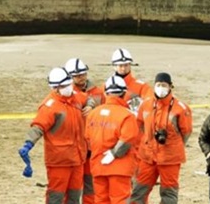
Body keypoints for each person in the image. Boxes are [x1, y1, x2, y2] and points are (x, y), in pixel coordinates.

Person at [18, 67, 88, 204]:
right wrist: (28, 143)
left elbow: (89, 100)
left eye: (69, 84)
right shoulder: (49, 107)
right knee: (56, 196)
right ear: (55, 88)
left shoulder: (75, 97)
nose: (68, 88)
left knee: (74, 195)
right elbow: (38, 126)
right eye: (64, 86)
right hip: (59, 162)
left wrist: (90, 106)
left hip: (77, 159)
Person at [132, 72, 193, 204]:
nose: (161, 88)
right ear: (154, 86)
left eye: (164, 85)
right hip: (148, 156)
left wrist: (173, 145)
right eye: (158, 85)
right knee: (138, 191)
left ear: (170, 86)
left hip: (170, 158)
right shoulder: (146, 104)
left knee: (168, 193)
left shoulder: (181, 108)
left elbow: (186, 132)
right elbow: (140, 125)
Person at [85, 75, 140, 204]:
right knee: (120, 200)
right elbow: (128, 138)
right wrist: (114, 153)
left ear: (106, 92)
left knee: (100, 200)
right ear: (124, 93)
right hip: (120, 168)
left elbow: (88, 138)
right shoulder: (127, 115)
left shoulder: (93, 114)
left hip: (98, 166)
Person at [64, 57, 106, 204]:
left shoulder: (98, 92)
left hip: (91, 147)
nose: (80, 78)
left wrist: (95, 109)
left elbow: (106, 113)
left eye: (82, 74)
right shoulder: (67, 94)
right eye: (76, 76)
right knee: (71, 187)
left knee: (90, 186)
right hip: (73, 147)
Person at [110, 48, 153, 113]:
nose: (123, 68)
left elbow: (150, 103)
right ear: (114, 66)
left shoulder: (142, 87)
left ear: (130, 65)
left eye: (126, 65)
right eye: (120, 65)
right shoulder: (106, 86)